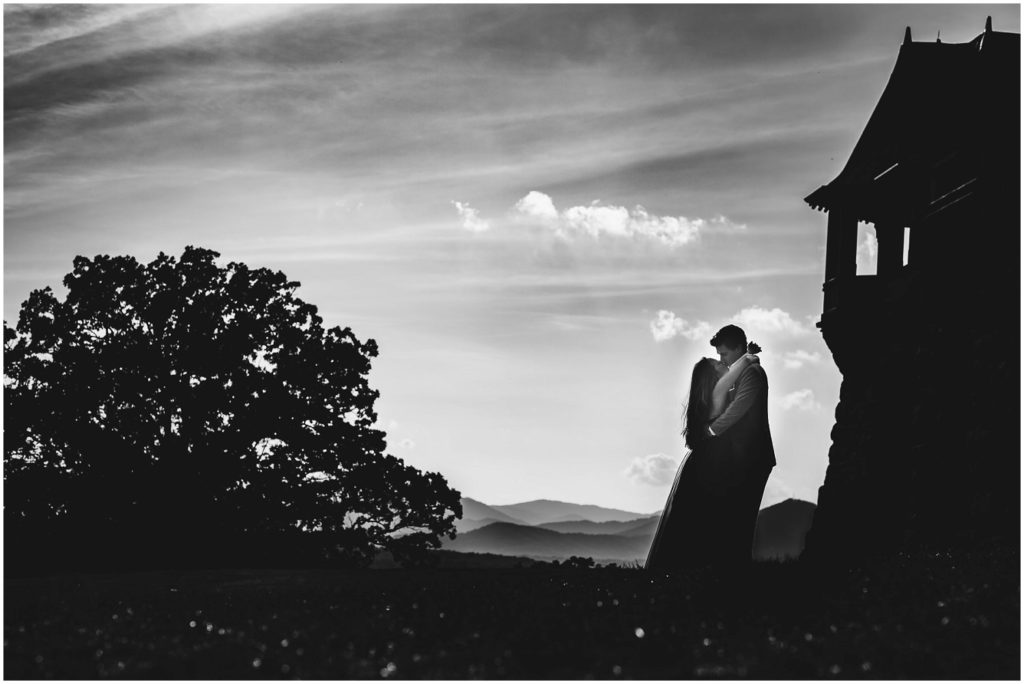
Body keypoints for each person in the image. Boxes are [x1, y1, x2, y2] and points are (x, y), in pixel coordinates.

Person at [644, 348, 761, 571]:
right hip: (710, 464)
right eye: (719, 366)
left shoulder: (704, 399)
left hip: (704, 462)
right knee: (705, 516)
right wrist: (749, 356)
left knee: (696, 518)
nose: (724, 365)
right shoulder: (717, 394)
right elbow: (741, 372)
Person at [706, 324, 776, 567]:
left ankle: (736, 571)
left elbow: (739, 408)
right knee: (734, 516)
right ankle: (732, 568)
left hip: (752, 454)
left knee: (741, 517)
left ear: (738, 348)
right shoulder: (740, 371)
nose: (722, 359)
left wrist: (710, 431)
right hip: (742, 454)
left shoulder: (752, 373)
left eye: (724, 353)